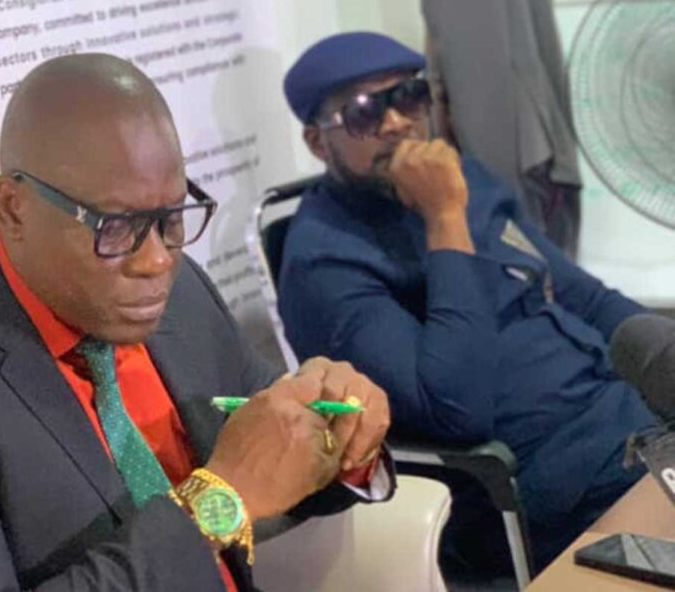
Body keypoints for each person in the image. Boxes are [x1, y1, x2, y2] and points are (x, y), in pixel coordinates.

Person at [0, 53, 394, 591]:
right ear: (13, 209)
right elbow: (242, 486)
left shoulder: (178, 293)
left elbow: (276, 458)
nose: (157, 260)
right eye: (116, 227)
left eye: (173, 216)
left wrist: (344, 439)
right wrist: (218, 502)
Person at [277, 32, 658, 571]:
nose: (397, 123)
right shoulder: (327, 264)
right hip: (553, 483)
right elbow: (455, 410)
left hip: (635, 424)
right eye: (365, 112)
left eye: (408, 96)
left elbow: (587, 299)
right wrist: (445, 221)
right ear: (319, 142)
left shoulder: (464, 179)